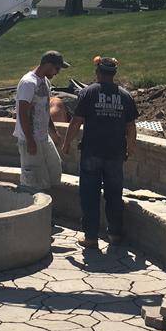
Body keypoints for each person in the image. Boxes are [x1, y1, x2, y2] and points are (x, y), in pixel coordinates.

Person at [62, 56, 138, 249]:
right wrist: (130, 148)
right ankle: (114, 234)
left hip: (91, 152)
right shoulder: (125, 96)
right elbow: (130, 126)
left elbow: (76, 121)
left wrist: (67, 143)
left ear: (97, 71)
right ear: (114, 73)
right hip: (115, 154)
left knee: (89, 194)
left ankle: (91, 237)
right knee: (114, 193)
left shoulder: (88, 93)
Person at [14, 51, 68, 190]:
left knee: (54, 169)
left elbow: (44, 109)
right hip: (30, 139)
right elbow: (22, 112)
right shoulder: (28, 83)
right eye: (57, 68)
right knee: (33, 179)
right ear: (49, 65)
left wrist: (53, 131)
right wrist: (30, 140)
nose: (58, 72)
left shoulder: (45, 81)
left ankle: (49, 203)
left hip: (43, 137)